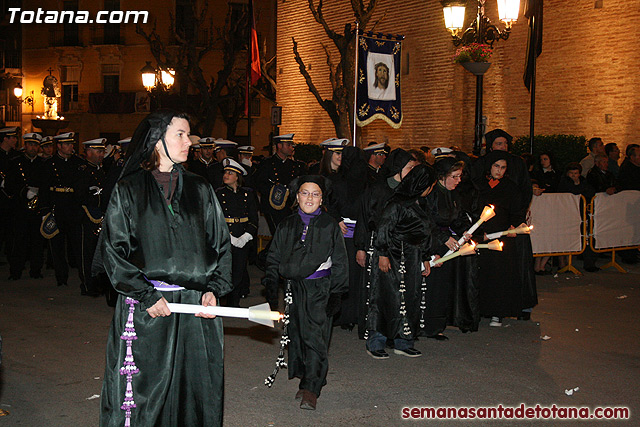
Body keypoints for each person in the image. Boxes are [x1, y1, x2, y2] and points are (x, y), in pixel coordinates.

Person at [99, 110, 232, 426]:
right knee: (149, 394)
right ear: (157, 140)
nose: (189, 142)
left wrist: (214, 289)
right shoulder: (129, 189)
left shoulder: (201, 189)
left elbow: (221, 244)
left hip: (197, 308)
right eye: (181, 135)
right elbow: (113, 251)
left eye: (189, 135)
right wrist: (146, 295)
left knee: (195, 391)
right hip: (149, 308)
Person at [263, 175, 348, 410]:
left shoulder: (330, 225)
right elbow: (273, 257)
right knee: (298, 336)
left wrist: (337, 293)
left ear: (322, 199)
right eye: (305, 193)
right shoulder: (286, 224)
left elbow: (340, 261)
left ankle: (312, 388)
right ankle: (306, 377)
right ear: (297, 196)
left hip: (320, 290)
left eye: (315, 194)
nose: (309, 198)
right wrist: (271, 289)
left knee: (316, 338)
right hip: (293, 289)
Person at [366, 164, 437, 358]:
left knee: (409, 299)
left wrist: (425, 258)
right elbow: (384, 228)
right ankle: (376, 342)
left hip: (412, 257)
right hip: (392, 256)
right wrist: (382, 254)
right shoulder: (396, 203)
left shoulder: (420, 203)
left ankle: (403, 341)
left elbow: (425, 233)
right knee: (386, 298)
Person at [354, 148, 417, 339]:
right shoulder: (377, 189)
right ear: (398, 168)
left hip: (403, 248)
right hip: (379, 246)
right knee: (379, 292)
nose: (412, 172)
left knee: (401, 292)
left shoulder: (410, 191)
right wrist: (361, 247)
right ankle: (377, 336)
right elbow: (365, 219)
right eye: (409, 168)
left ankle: (399, 335)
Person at [475, 151, 537, 326]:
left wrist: (514, 225)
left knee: (499, 274)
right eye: (496, 166)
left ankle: (498, 312)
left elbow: (517, 211)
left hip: (501, 236)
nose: (499, 171)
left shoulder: (510, 187)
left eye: (503, 168)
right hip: (481, 235)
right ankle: (480, 309)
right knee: (481, 272)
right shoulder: (478, 185)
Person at [420, 157, 471, 339]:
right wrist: (443, 238)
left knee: (443, 286)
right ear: (442, 176)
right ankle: (424, 325)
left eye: (460, 177)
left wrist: (464, 230)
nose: (458, 181)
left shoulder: (453, 193)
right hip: (431, 243)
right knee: (431, 286)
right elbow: (426, 220)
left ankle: (437, 324)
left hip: (447, 244)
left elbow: (455, 217)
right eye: (454, 176)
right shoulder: (431, 194)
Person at [39, 132, 85, 289]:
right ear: (59, 146)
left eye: (72, 144)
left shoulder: (78, 163)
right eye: (67, 144)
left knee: (78, 244)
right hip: (56, 206)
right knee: (57, 245)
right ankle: (61, 277)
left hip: (73, 207)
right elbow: (44, 189)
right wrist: (44, 210)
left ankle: (84, 276)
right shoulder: (49, 164)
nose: (71, 147)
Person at [215, 158, 258, 306]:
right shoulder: (219, 194)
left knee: (239, 272)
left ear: (237, 177)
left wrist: (246, 236)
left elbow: (253, 218)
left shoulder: (247, 194)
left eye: (230, 173)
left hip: (243, 236)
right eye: (225, 172)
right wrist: (229, 237)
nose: (226, 175)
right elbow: (216, 218)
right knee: (224, 271)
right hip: (225, 237)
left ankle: (234, 303)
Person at [5, 132, 45, 280]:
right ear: (25, 145)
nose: (33, 148)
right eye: (30, 145)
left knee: (37, 241)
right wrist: (24, 192)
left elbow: (46, 185)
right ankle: (15, 271)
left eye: (36, 145)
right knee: (19, 241)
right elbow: (9, 184)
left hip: (37, 208)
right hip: (20, 208)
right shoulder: (15, 162)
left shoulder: (43, 164)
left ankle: (36, 270)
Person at [254, 134, 306, 234]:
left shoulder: (294, 165)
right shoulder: (267, 164)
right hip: (272, 206)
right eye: (288, 145)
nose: (291, 148)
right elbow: (260, 183)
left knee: (288, 234)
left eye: (292, 145)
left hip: (289, 206)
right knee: (278, 233)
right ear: (279, 146)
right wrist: (275, 192)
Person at [76, 138, 107, 296]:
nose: (101, 154)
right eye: (98, 151)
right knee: (86, 252)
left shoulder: (100, 170)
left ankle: (97, 283)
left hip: (99, 215)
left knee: (98, 252)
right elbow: (79, 195)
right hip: (86, 217)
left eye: (102, 151)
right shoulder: (83, 170)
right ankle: (87, 284)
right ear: (88, 152)